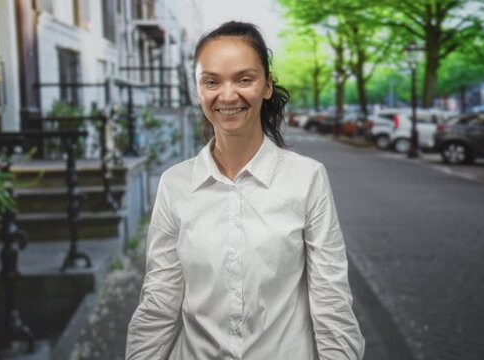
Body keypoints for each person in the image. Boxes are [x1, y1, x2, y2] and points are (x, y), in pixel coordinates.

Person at [126, 21, 364, 360]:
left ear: (266, 86)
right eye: (211, 81)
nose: (227, 95)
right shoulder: (175, 184)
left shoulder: (307, 178)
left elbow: (331, 302)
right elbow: (159, 302)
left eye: (244, 79)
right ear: (198, 90)